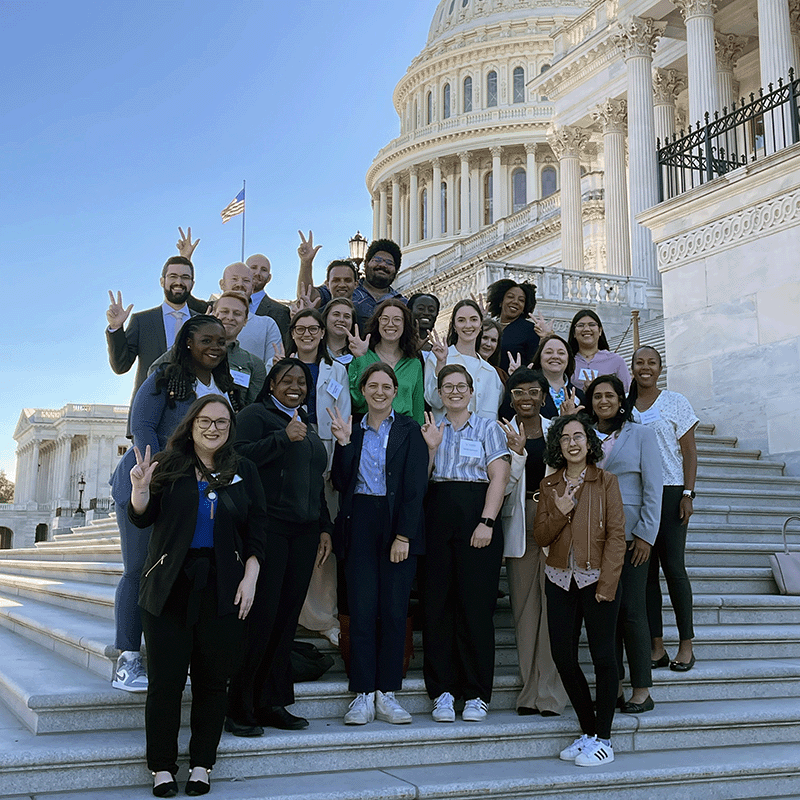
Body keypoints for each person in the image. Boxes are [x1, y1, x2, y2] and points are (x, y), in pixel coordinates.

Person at [128, 396, 265, 798]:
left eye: (221, 422)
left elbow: (258, 528)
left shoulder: (244, 470)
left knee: (211, 682)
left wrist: (251, 576)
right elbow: (143, 517)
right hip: (169, 586)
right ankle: (162, 768)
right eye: (205, 421)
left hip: (223, 586)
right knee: (166, 682)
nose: (213, 428)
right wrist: (140, 490)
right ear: (191, 425)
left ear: (230, 429)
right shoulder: (169, 466)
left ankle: (203, 763)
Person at [110, 316, 242, 693]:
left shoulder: (225, 386)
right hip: (148, 482)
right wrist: (157, 472)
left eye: (222, 342)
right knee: (138, 568)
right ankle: (127, 658)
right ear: (187, 342)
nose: (215, 347)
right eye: (206, 340)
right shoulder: (165, 378)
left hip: (192, 495)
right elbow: (143, 426)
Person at [227, 358, 333, 735]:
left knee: (286, 621)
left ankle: (272, 702)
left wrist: (324, 526)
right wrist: (281, 439)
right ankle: (240, 705)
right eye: (286, 379)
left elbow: (313, 480)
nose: (295, 386)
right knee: (261, 619)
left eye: (302, 381)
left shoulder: (306, 422)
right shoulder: (257, 414)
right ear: (271, 384)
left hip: (304, 533)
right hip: (269, 527)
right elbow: (235, 458)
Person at [329, 363, 429, 725]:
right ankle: (362, 693)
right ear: (363, 389)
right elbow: (341, 482)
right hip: (359, 521)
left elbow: (416, 486)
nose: (380, 392)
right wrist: (342, 445)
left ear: (395, 391)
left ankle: (387, 691)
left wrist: (404, 534)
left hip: (396, 523)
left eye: (387, 386)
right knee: (361, 607)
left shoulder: (409, 429)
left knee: (393, 608)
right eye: (373, 385)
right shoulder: (350, 427)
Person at [420, 364, 511, 723]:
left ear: (472, 392)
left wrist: (487, 521)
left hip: (477, 515)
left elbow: (499, 476)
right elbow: (421, 479)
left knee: (475, 606)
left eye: (461, 386)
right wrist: (430, 448)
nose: (455, 392)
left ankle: (476, 693)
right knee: (437, 604)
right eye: (448, 387)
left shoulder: (488, 426)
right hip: (438, 513)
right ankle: (442, 691)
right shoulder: (431, 427)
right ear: (439, 393)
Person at [534, 414, 626, 767]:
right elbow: (541, 536)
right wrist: (560, 511)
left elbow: (617, 536)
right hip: (558, 579)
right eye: (565, 438)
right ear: (558, 446)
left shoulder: (606, 482)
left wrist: (608, 584)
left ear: (589, 442)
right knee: (563, 657)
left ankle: (604, 738)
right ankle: (588, 731)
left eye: (579, 436)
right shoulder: (549, 485)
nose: (572, 443)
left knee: (604, 658)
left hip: (596, 579)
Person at [586, 374, 662, 713]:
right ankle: (613, 684)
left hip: (633, 538)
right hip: (596, 538)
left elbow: (654, 488)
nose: (604, 401)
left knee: (632, 612)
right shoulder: (585, 436)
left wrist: (646, 534)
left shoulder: (642, 434)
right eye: (597, 396)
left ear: (621, 399)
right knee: (606, 614)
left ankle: (642, 688)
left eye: (610, 395)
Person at [499, 369, 568, 717]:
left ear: (544, 396)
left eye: (534, 391)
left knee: (553, 609)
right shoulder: (501, 431)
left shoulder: (559, 429)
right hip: (520, 519)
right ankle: (529, 692)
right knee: (525, 611)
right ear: (510, 397)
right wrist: (518, 454)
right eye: (519, 392)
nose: (526, 397)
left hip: (557, 520)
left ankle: (551, 694)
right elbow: (500, 486)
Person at [629, 346, 699, 672]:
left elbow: (689, 452)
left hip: (670, 493)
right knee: (645, 576)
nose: (645, 368)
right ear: (631, 368)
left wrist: (688, 493)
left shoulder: (675, 402)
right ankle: (656, 646)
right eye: (639, 362)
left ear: (660, 367)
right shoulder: (625, 406)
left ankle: (686, 644)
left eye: (651, 363)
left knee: (674, 569)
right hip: (638, 495)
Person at [285, 308, 351, 645]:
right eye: (301, 328)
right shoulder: (278, 367)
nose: (308, 334)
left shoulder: (337, 369)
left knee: (323, 539)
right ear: (293, 332)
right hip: (289, 455)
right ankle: (290, 615)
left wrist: (337, 459)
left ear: (323, 333)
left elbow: (344, 418)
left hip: (324, 455)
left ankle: (324, 617)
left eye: (314, 328)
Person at [106, 256, 196, 429]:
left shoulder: (203, 322)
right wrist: (116, 329)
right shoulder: (142, 321)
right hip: (149, 414)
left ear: (192, 283)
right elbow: (120, 366)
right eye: (173, 276)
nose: (179, 282)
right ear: (162, 281)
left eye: (185, 277)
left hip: (193, 414)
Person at [149, 292, 266, 405]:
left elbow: (252, 407)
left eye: (237, 313)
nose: (230, 317)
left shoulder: (254, 364)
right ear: (213, 314)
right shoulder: (189, 348)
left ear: (245, 320)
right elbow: (154, 372)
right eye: (224, 311)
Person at [424, 299, 503, 422]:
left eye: (473, 319)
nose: (468, 325)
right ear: (454, 326)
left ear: (480, 324)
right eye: (461, 320)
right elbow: (434, 401)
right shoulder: (436, 358)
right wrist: (441, 363)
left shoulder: (491, 373)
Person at [348, 299, 424, 424]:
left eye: (397, 319)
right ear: (377, 322)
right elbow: (357, 401)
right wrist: (360, 359)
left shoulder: (414, 364)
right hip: (368, 426)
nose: (390, 324)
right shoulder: (363, 356)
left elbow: (418, 409)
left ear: (405, 324)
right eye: (385, 319)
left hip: (404, 430)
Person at [216, 262, 282, 369]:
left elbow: (272, 367)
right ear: (222, 284)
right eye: (234, 279)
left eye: (246, 281)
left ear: (252, 287)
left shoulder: (267, 325)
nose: (240, 284)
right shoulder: (205, 321)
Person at [567, 309, 631, 391]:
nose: (586, 329)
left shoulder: (616, 361)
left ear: (600, 331)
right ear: (574, 333)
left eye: (592, 325)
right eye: (580, 325)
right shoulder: (566, 361)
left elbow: (626, 392)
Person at [485, 278, 540, 373]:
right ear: (500, 301)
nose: (515, 302)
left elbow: (535, 363)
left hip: (512, 382)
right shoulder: (489, 326)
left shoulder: (530, 330)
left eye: (521, 300)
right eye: (510, 297)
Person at [529, 334, 585, 419]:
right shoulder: (528, 390)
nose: (555, 356)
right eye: (549, 352)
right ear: (539, 357)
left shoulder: (579, 395)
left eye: (561, 353)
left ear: (568, 359)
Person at [245, 253, 291, 337]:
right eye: (253, 268)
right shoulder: (219, 306)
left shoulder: (281, 312)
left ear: (269, 278)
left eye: (264, 270)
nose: (258, 273)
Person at [321, 297, 357, 365]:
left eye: (347, 316)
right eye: (336, 315)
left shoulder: (358, 351)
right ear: (326, 318)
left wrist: (361, 356)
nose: (341, 320)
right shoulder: (315, 349)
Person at [407, 292, 441, 357]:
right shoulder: (397, 346)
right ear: (409, 311)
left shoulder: (437, 352)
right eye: (420, 309)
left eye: (431, 310)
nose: (426, 313)